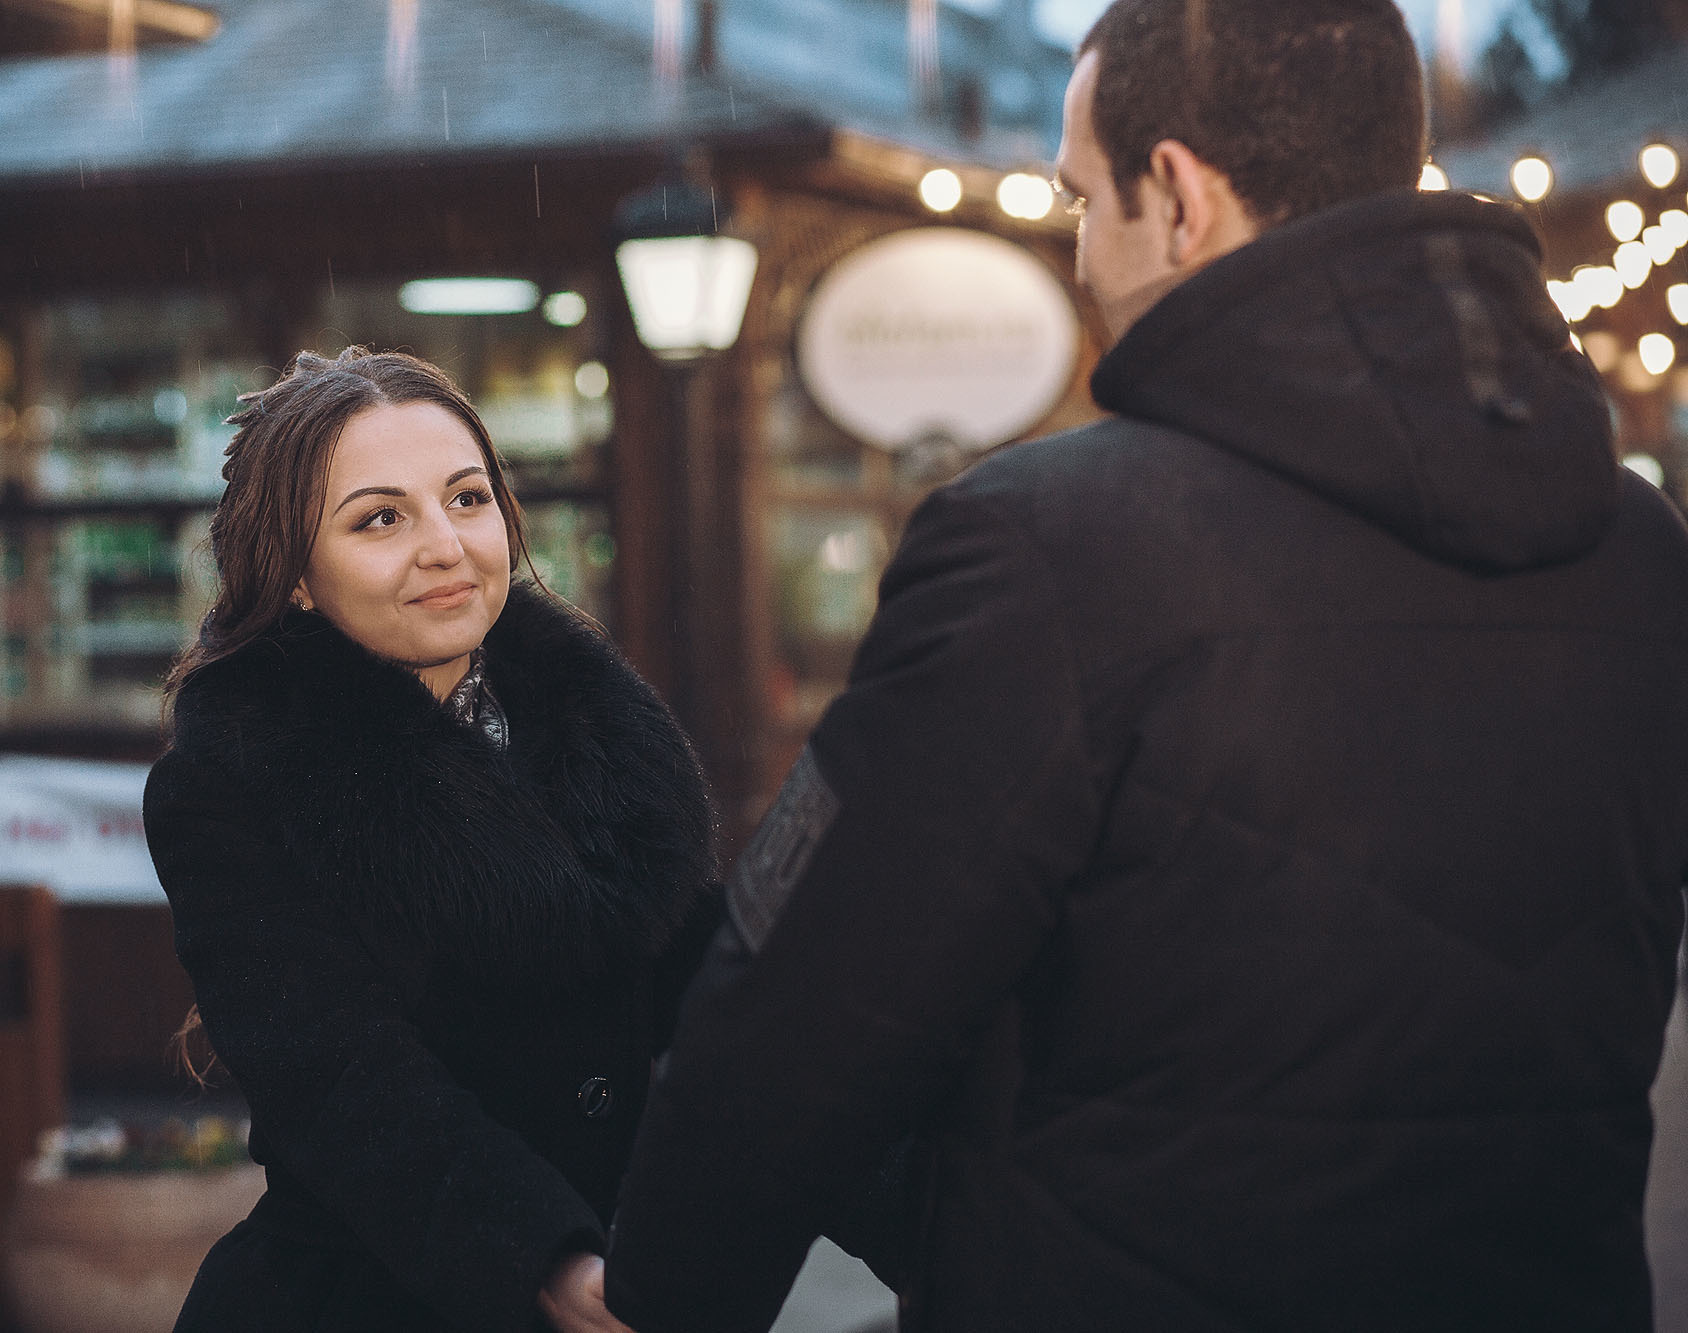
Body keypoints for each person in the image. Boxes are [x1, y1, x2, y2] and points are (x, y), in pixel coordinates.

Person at [602, 2, 1688, 1330]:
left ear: (1177, 194)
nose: (1075, 249)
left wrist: (666, 1287)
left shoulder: (1048, 546)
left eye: (1079, 197)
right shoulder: (1640, 549)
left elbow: (804, 1019)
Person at [143, 347, 719, 1333]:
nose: (446, 546)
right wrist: (545, 1257)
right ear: (295, 580)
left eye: (466, 498)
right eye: (379, 519)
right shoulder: (232, 777)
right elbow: (345, 1080)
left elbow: (719, 994)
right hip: (369, 1296)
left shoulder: (595, 731)